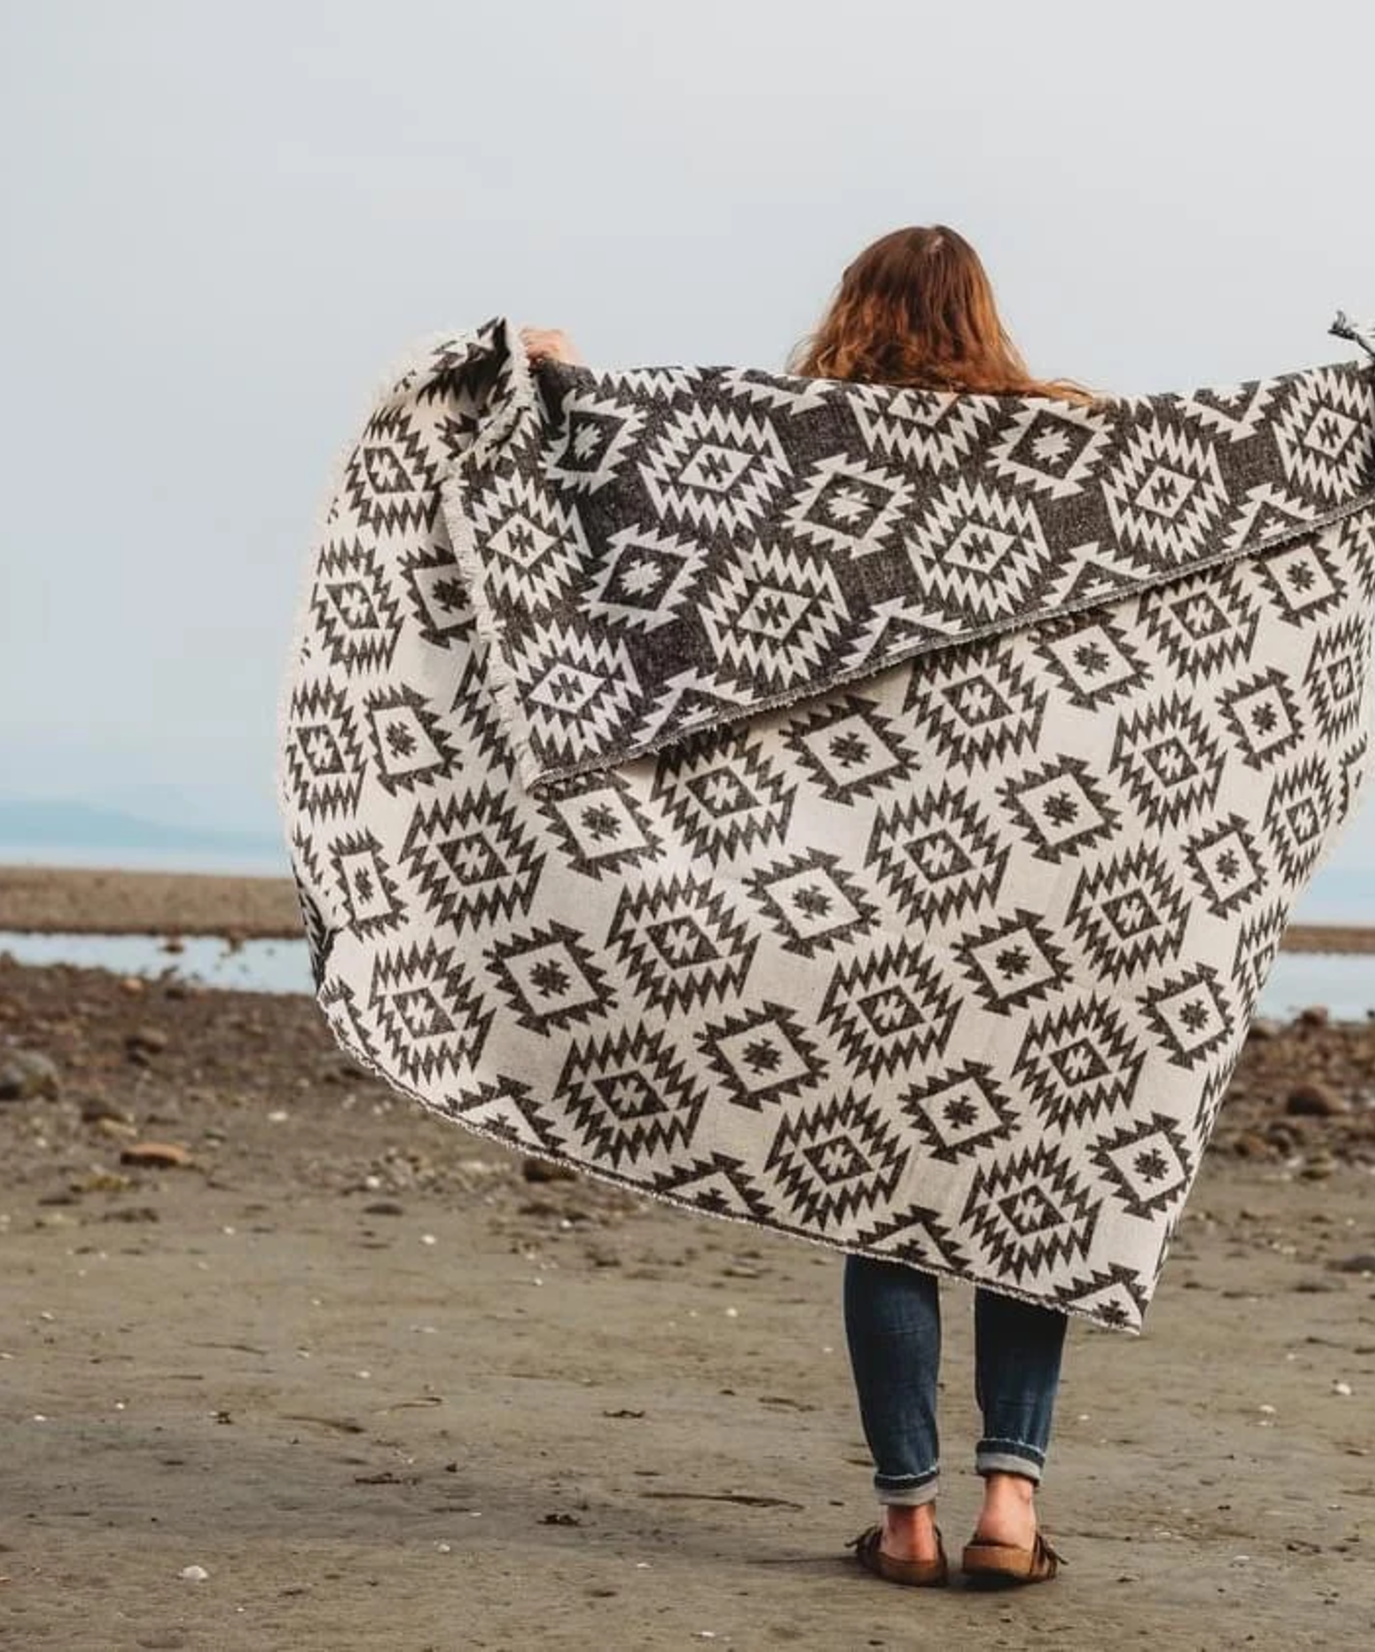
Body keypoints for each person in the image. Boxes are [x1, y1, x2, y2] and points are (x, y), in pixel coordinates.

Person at [523, 224, 1097, 1589]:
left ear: (855, 308)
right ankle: (1009, 1507)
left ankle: (906, 1519)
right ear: (984, 314)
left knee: (884, 1194)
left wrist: (553, 386)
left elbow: (647, 508)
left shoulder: (803, 442)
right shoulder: (1069, 452)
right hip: (1037, 876)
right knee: (1027, 1193)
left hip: (855, 880)